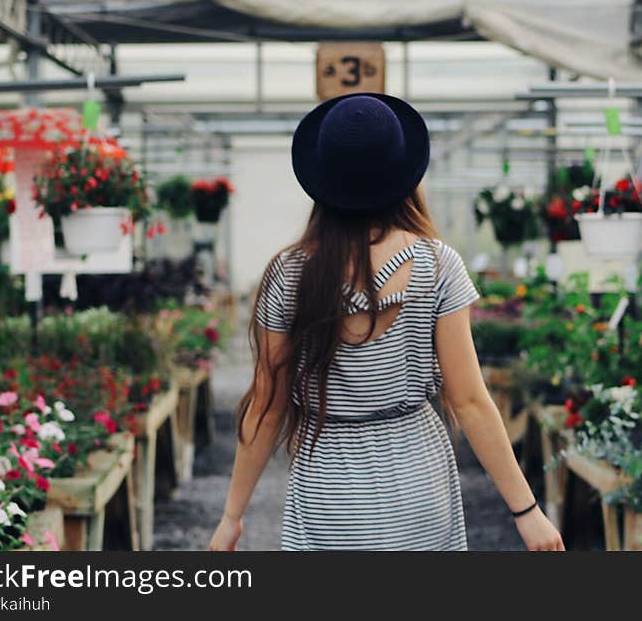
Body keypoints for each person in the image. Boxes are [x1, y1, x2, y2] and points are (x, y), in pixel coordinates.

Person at [209, 93, 563, 551]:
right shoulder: (437, 266)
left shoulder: (288, 274)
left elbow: (266, 405)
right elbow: (471, 402)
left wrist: (232, 517)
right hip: (419, 486)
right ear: (404, 175)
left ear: (322, 177)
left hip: (327, 493)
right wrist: (526, 511)